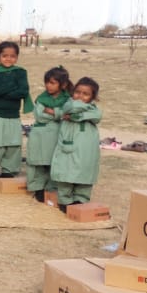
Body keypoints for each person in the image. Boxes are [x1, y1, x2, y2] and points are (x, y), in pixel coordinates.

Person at [0, 41, 31, 184]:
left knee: (13, 144)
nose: (8, 59)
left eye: (12, 56)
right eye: (5, 56)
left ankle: (8, 171)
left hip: (13, 115)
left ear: (17, 57)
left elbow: (23, 92)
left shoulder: (21, 72)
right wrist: (13, 84)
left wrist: (4, 89)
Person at [51, 77, 102, 210]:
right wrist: (85, 111)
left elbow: (97, 116)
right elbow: (72, 107)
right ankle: (65, 201)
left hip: (87, 148)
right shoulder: (69, 103)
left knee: (85, 172)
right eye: (77, 92)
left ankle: (80, 200)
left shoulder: (94, 109)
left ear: (93, 97)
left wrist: (76, 117)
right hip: (69, 145)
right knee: (66, 172)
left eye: (86, 94)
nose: (80, 96)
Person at [26, 67, 71, 201]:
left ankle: (51, 189)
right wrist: (59, 114)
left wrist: (52, 112)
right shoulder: (41, 98)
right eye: (47, 82)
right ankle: (38, 188)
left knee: (53, 162)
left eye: (52, 83)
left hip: (57, 135)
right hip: (40, 134)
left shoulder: (68, 99)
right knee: (38, 162)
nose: (48, 86)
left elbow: (68, 114)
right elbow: (39, 116)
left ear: (62, 85)